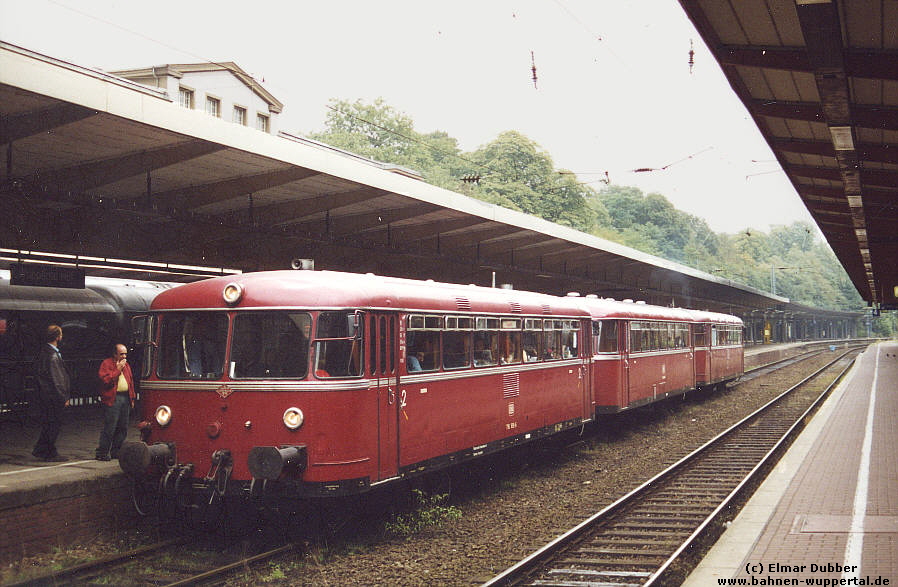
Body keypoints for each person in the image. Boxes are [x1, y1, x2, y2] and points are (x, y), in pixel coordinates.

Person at [32, 324, 71, 462]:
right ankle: (48, 452)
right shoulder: (53, 356)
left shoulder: (44, 351)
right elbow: (58, 379)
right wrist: (64, 397)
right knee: (54, 424)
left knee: (48, 423)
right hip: (53, 397)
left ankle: (42, 449)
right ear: (58, 337)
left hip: (45, 396)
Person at [95, 343, 135, 461]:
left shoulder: (127, 365)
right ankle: (102, 452)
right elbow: (106, 381)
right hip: (113, 398)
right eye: (121, 354)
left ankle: (116, 451)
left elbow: (130, 382)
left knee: (123, 427)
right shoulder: (106, 364)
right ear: (115, 354)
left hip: (125, 398)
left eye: (125, 354)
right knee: (110, 426)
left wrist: (132, 398)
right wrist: (118, 370)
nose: (124, 357)